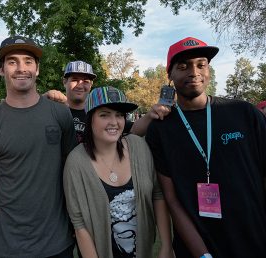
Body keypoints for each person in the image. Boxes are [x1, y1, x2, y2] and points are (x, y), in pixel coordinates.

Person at [145, 37, 266, 258]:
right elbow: (171, 199)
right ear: (169, 75)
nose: (194, 72)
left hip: (255, 242)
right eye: (183, 66)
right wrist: (203, 255)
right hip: (197, 249)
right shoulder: (160, 129)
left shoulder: (244, 113)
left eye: (201, 64)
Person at [0, 36, 77, 258]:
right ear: (1, 70)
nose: (21, 68)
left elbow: (71, 165)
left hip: (57, 242)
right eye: (12, 62)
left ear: (37, 69)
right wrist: (8, 210)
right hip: (8, 246)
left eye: (28, 61)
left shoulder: (60, 113)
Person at [63, 86, 174, 258]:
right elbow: (79, 223)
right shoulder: (76, 163)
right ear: (90, 119)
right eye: (104, 114)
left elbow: (157, 195)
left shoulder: (138, 146)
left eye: (119, 115)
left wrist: (166, 246)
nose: (114, 122)